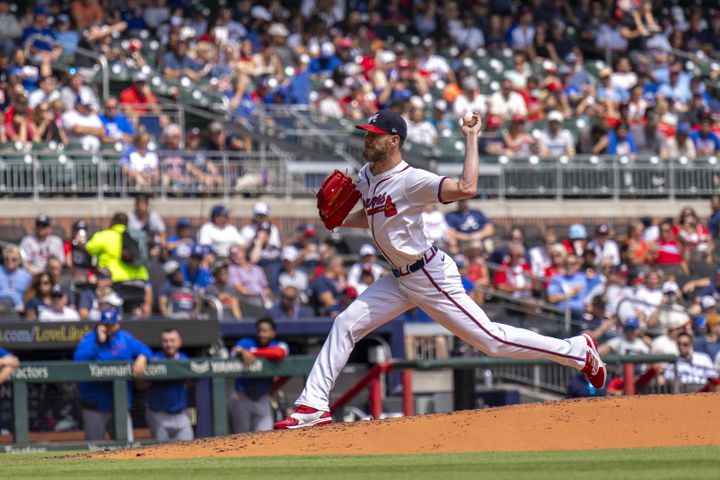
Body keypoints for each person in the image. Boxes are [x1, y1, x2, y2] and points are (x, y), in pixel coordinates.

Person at [274, 110, 605, 429]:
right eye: (366, 134)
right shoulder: (366, 175)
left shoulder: (411, 180)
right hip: (398, 279)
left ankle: (576, 351)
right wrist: (341, 221)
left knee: (491, 341)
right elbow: (373, 217)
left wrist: (471, 137)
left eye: (374, 136)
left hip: (429, 274)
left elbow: (466, 188)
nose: (367, 140)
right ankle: (313, 405)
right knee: (345, 323)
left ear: (393, 141)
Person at [73, 308, 151, 441]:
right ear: (100, 325)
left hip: (119, 405)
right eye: (106, 324)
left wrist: (143, 357)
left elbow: (146, 350)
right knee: (94, 449)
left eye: (111, 324)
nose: (109, 328)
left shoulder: (125, 338)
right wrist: (98, 343)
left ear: (117, 324)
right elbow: (78, 360)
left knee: (126, 447)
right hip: (94, 405)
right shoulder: (90, 339)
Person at [229, 317, 289, 433]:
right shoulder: (246, 342)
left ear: (273, 333)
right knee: (241, 437)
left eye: (265, 331)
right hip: (242, 397)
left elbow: (279, 352)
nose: (262, 334)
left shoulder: (278, 344)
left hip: (262, 397)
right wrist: (242, 352)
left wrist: (251, 352)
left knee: (265, 436)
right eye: (259, 331)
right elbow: (234, 351)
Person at [143, 329, 194, 441]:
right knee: (162, 453)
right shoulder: (154, 360)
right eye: (165, 341)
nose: (169, 344)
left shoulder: (184, 359)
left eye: (172, 340)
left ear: (179, 342)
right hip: (158, 414)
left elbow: (189, 383)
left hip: (181, 414)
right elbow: (141, 385)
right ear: (161, 343)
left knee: (189, 450)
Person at [0, 244, 32, 311]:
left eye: (13, 259)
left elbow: (29, 295)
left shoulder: (26, 276)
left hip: (18, 307)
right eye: (6, 259)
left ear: (19, 261)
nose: (10, 261)